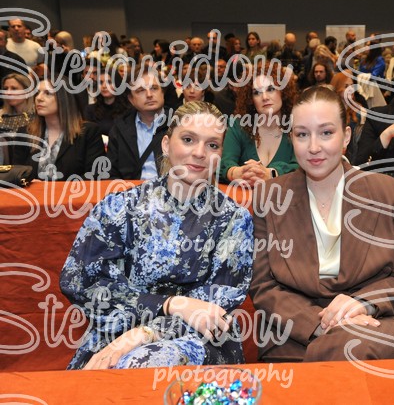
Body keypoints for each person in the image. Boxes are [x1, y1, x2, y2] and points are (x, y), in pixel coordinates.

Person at [60, 101, 254, 369]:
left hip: (197, 339)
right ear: (166, 145)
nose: (200, 153)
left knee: (142, 363)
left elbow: (216, 304)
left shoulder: (233, 219)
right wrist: (170, 303)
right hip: (117, 333)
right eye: (188, 139)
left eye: (212, 145)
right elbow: (80, 281)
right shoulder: (121, 207)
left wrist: (146, 334)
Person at [249, 86, 394, 362]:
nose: (314, 147)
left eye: (326, 133)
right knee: (348, 352)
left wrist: (361, 304)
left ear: (346, 136)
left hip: (372, 323)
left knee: (359, 347)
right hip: (295, 331)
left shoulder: (384, 192)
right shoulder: (270, 196)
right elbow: (264, 286)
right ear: (292, 139)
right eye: (302, 135)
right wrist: (321, 325)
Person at [12, 76, 104, 181]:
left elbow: (94, 176)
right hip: (32, 191)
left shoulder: (88, 132)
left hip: (73, 191)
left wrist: (56, 187)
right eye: (37, 93)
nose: (39, 98)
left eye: (48, 93)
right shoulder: (25, 133)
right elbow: (16, 175)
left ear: (64, 98)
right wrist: (31, 183)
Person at [220, 65, 299, 186]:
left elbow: (302, 167)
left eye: (271, 89)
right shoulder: (239, 125)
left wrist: (271, 173)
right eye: (257, 93)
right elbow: (223, 164)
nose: (265, 97)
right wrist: (237, 172)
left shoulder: (298, 125)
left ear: (283, 92)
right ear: (250, 99)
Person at [106, 66, 172, 180]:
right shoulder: (119, 129)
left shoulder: (178, 124)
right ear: (131, 99)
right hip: (130, 189)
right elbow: (111, 173)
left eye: (154, 88)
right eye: (141, 90)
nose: (149, 94)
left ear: (162, 92)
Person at [83, 71, 131, 137]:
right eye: (101, 82)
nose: (104, 86)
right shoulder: (90, 110)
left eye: (109, 82)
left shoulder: (128, 110)